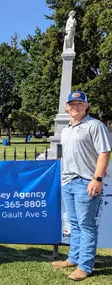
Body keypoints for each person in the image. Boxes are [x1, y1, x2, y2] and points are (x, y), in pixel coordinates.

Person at [52, 91, 111, 281]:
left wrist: (97, 179)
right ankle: (73, 258)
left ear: (86, 106)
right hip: (68, 182)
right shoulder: (67, 129)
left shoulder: (95, 125)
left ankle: (85, 266)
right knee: (75, 224)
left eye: (79, 103)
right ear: (67, 107)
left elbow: (104, 153)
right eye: (71, 104)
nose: (74, 107)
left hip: (86, 182)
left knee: (86, 226)